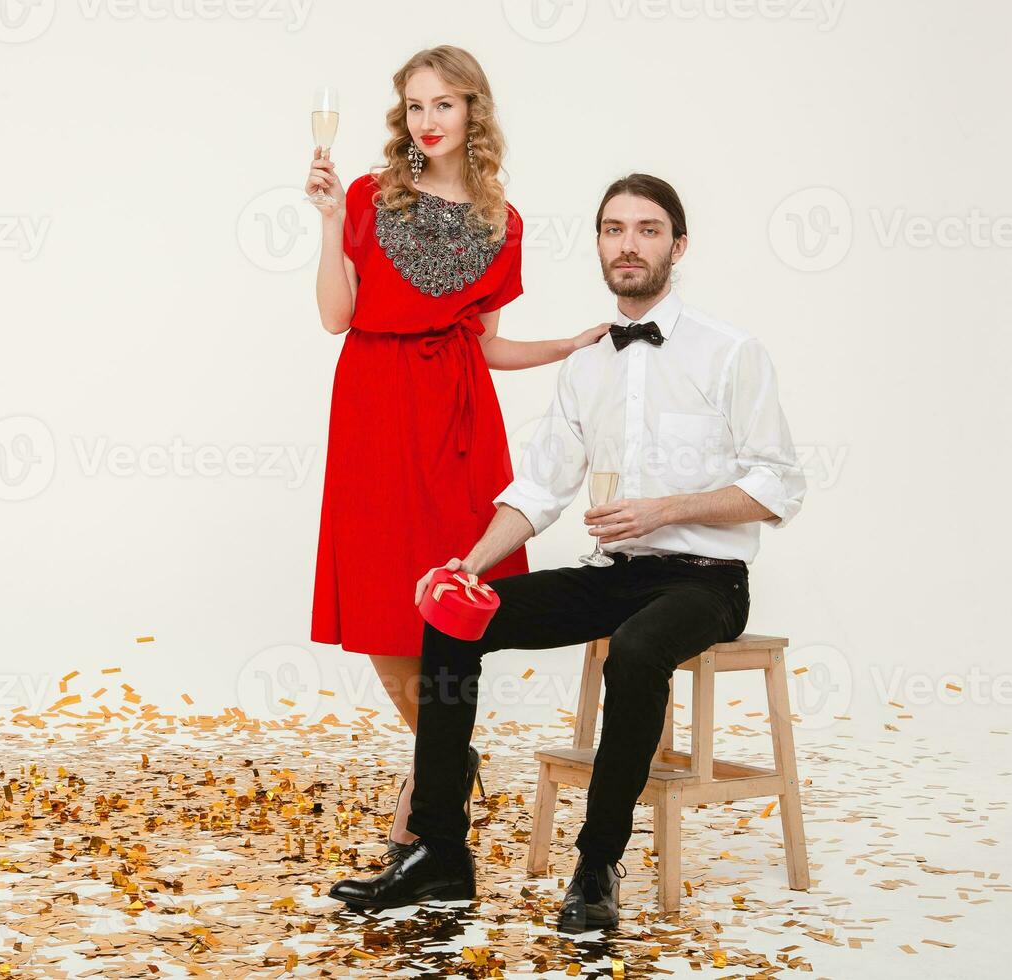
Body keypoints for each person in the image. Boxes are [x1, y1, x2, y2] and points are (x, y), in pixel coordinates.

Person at [326, 173, 807, 934]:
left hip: (705, 580)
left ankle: (596, 862)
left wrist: (668, 508)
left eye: (648, 230)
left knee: (638, 653)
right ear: (599, 245)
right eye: (614, 229)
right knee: (455, 620)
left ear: (678, 247)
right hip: (613, 573)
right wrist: (470, 566)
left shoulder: (731, 353)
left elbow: (778, 485)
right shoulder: (589, 365)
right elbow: (539, 488)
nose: (629, 244)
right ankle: (442, 854)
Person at [304, 45, 610, 861]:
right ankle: (444, 755)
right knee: (375, 598)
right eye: (414, 107)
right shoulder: (369, 195)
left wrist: (566, 346)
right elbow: (338, 317)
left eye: (443, 104)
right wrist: (331, 225)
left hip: (456, 419)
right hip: (372, 404)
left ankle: (429, 776)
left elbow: (486, 347)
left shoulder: (500, 223)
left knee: (446, 593)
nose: (428, 121)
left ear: (474, 111)